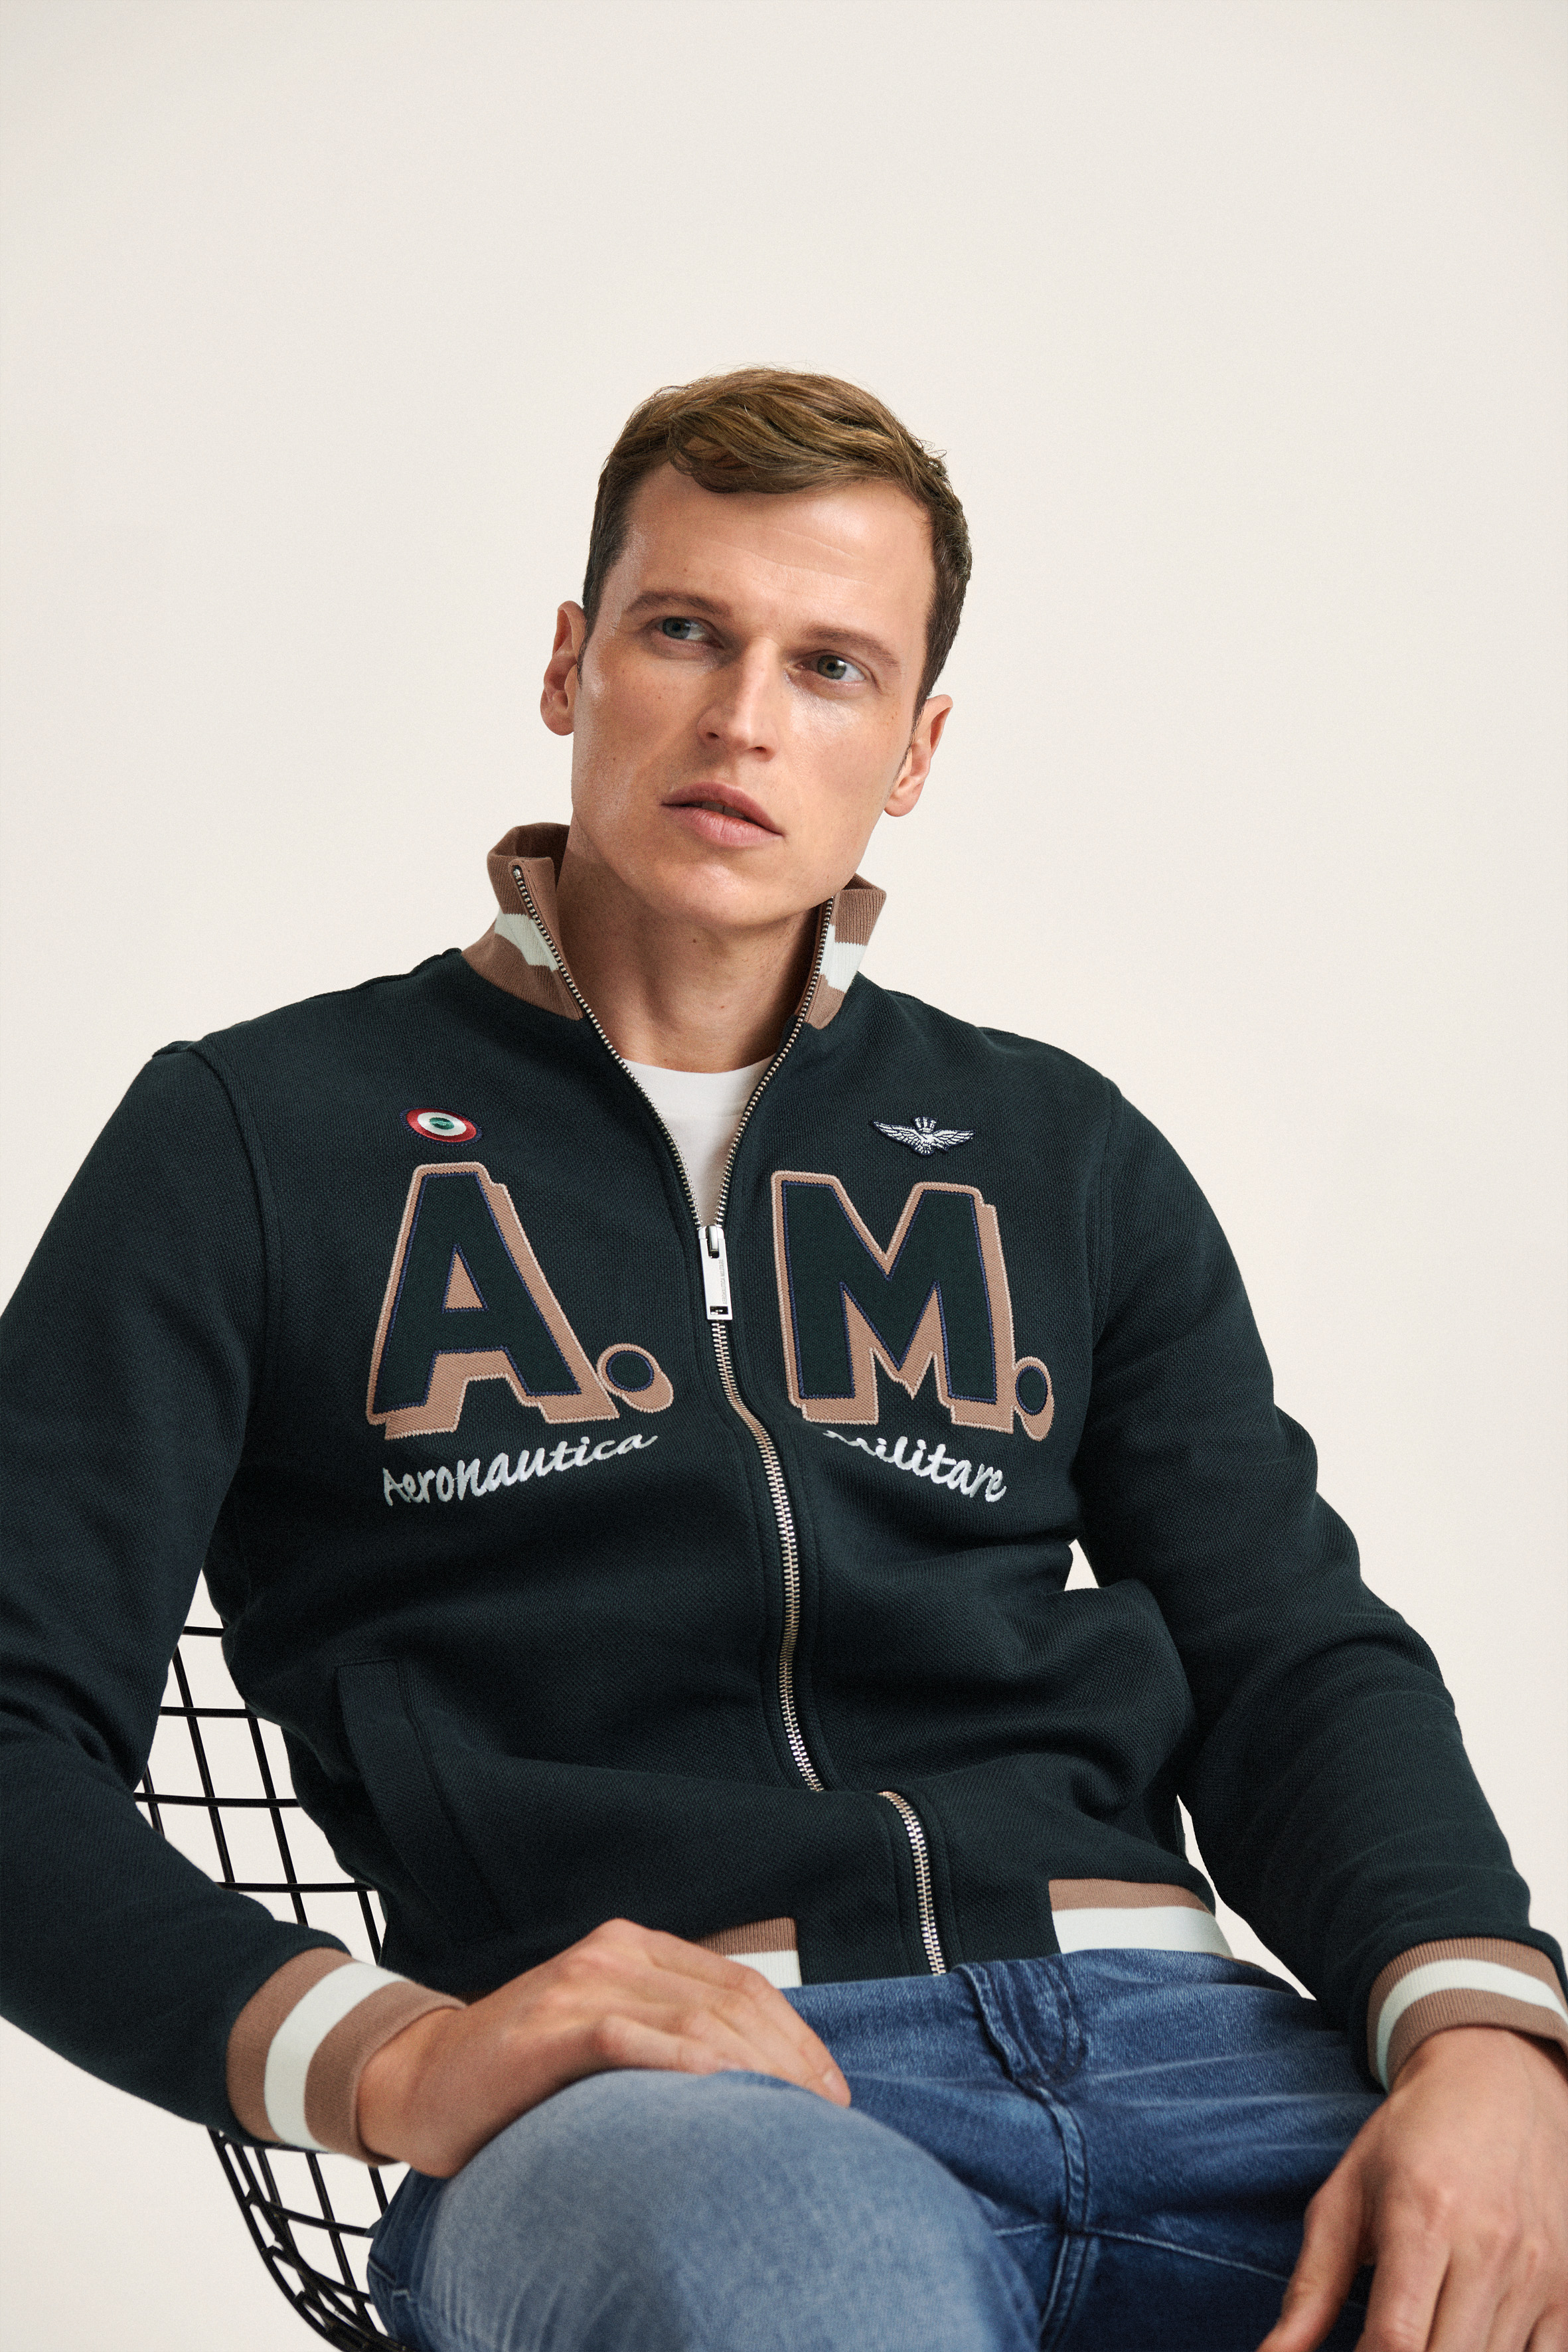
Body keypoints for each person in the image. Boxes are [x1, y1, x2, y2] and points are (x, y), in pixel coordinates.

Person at [1, 368, 1564, 2352]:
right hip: (682, 2101)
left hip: (1201, 2058)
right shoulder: (254, 1137)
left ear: (911, 751)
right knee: (805, 2293)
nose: (744, 718)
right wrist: (390, 2057)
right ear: (568, 665)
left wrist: (1484, 2034)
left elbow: (1288, 1655)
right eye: (684, 631)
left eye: (831, 668)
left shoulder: (1059, 1152)